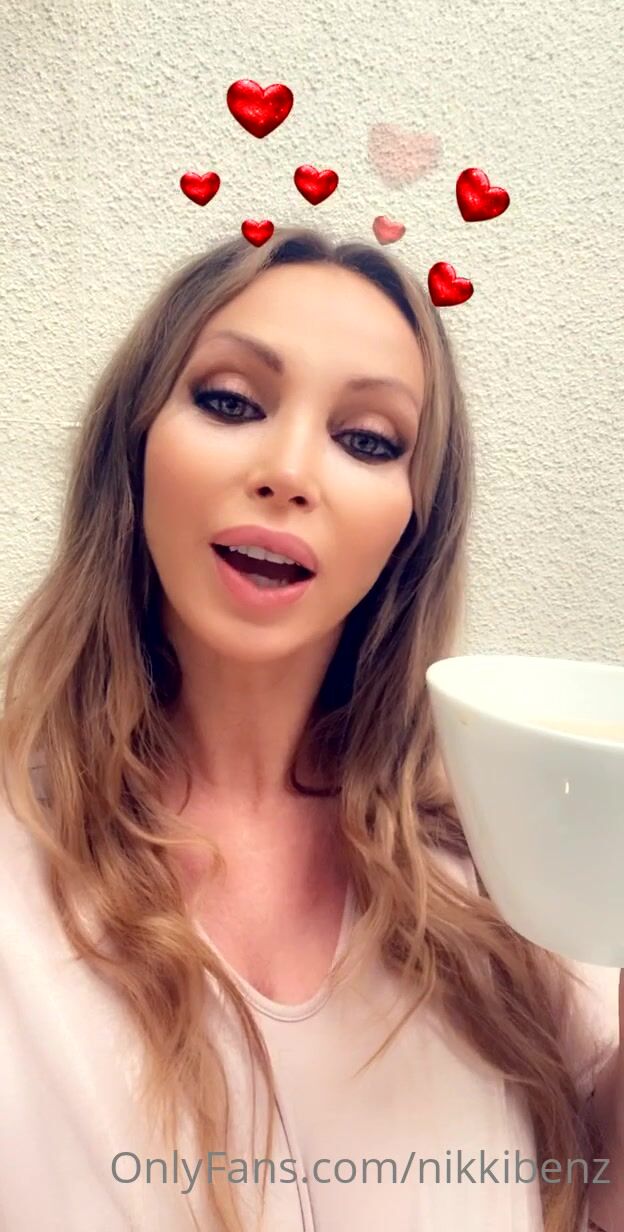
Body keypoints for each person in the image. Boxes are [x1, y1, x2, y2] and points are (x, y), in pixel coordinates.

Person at [0, 225, 619, 1232]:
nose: (289, 471)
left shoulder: (502, 866)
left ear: (413, 521)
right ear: (134, 447)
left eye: (368, 439)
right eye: (230, 401)